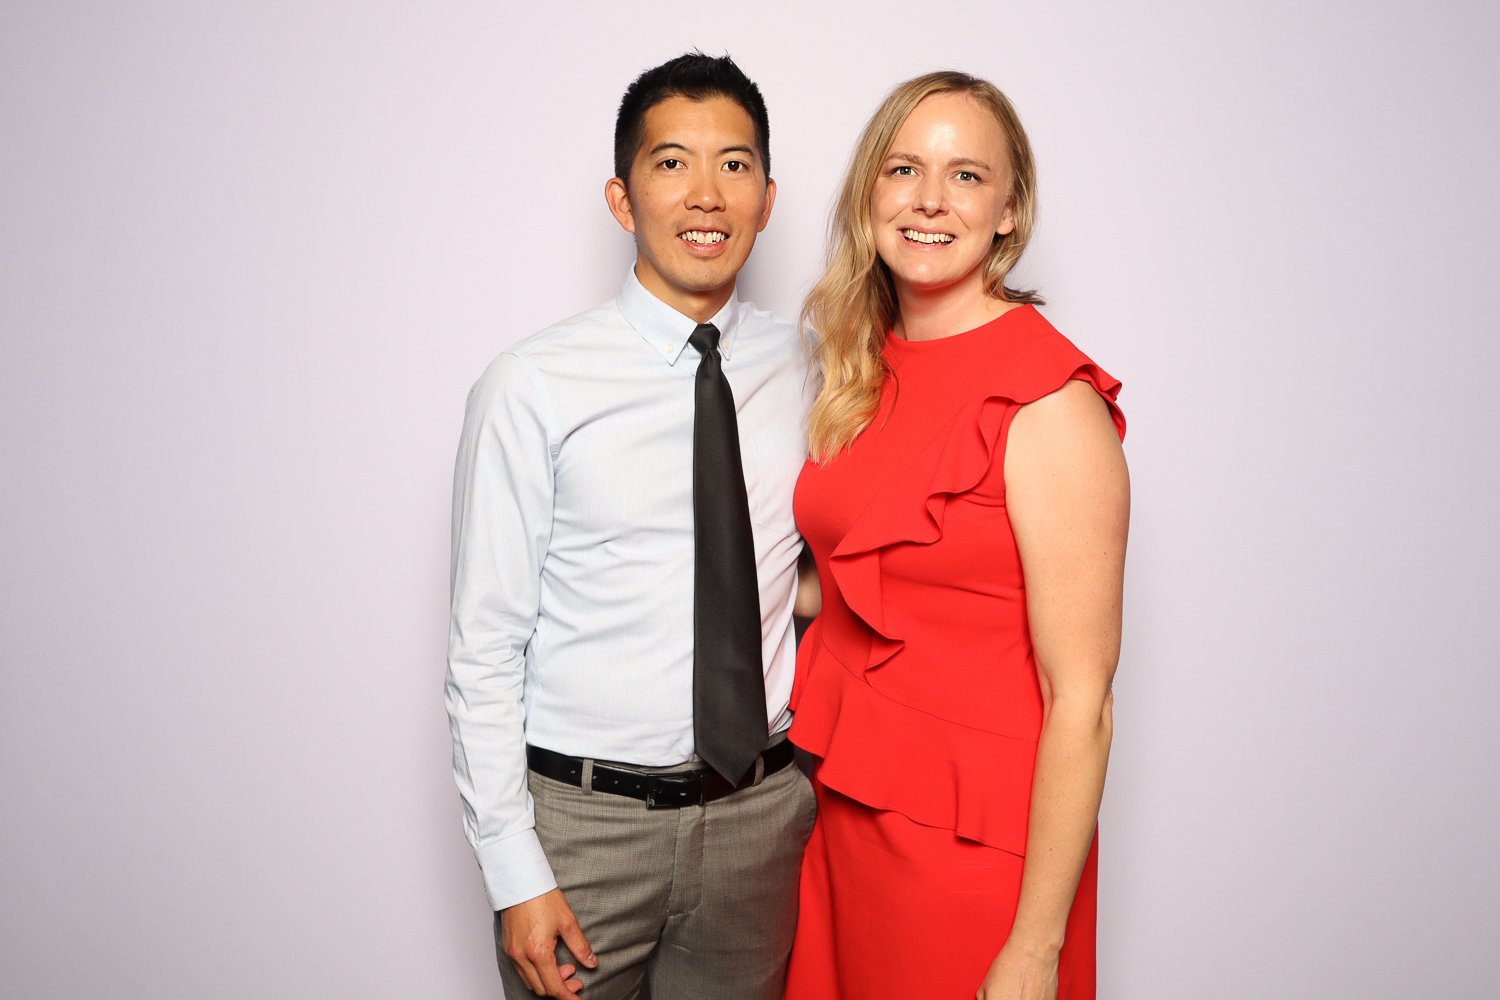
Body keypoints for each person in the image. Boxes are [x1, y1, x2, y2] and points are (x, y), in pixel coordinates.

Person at [446, 53, 815, 1000]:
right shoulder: (532, 384)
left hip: (757, 818)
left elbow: (819, 555)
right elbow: (485, 645)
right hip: (584, 830)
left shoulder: (813, 367)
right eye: (671, 163)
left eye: (735, 165)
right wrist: (514, 872)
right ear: (622, 197)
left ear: (768, 199)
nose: (706, 194)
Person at [783, 71, 1129, 1000]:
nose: (931, 199)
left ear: (1010, 211)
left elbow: (1082, 698)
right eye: (904, 168)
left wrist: (1034, 948)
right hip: (842, 819)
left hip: (975, 854)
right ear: (871, 196)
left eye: (967, 176)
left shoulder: (1048, 404)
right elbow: (858, 583)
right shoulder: (863, 367)